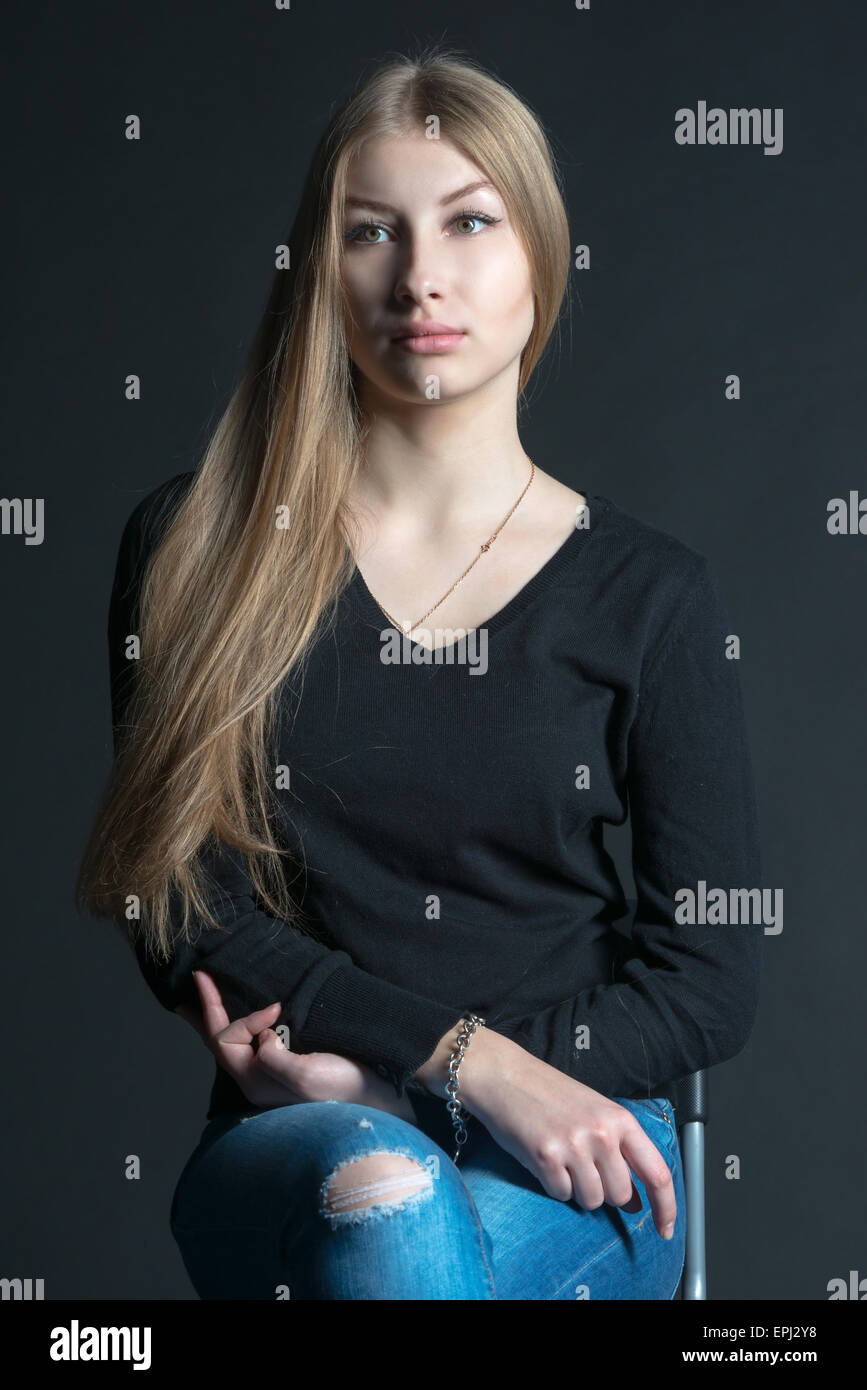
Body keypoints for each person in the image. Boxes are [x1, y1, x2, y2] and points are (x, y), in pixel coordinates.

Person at [77, 46, 763, 1300]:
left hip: (582, 1138)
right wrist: (450, 1068)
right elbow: (181, 907)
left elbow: (710, 975)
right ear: (320, 270)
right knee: (389, 1204)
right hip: (304, 1131)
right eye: (371, 231)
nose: (422, 275)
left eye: (470, 221)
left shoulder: (652, 595)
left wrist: (464, 1079)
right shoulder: (196, 552)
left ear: (538, 255)